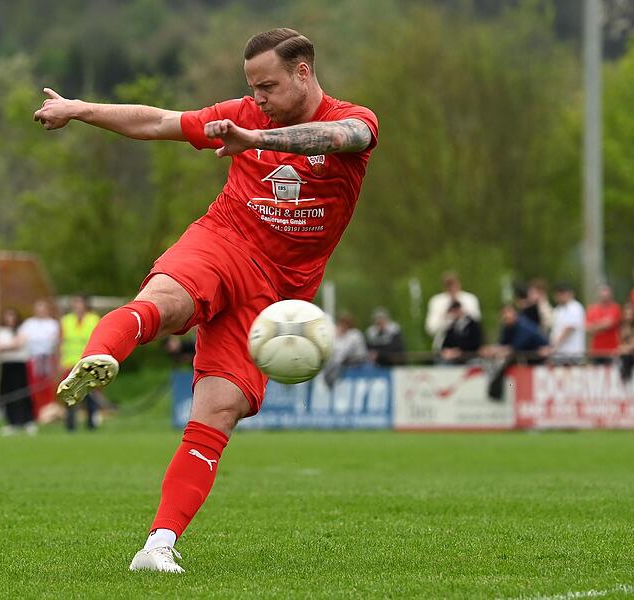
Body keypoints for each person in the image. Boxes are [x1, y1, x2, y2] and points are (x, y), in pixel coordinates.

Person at [34, 28, 378, 572]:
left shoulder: (351, 119)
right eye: (252, 87)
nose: (258, 98)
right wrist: (81, 109)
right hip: (224, 240)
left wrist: (256, 139)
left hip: (275, 300)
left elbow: (342, 138)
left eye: (267, 85)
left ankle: (158, 546)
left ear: (303, 73)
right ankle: (101, 353)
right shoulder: (241, 113)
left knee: (218, 412)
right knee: (167, 300)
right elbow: (159, 121)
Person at [60, 296, 102, 431]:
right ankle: (70, 424)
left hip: (88, 362)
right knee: (70, 394)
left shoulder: (93, 319)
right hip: (70, 362)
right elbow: (60, 341)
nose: (77, 306)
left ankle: (91, 423)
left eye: (80, 303)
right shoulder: (66, 320)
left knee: (91, 395)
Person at [0, 308, 37, 435]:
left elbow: (19, 344)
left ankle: (28, 421)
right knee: (8, 394)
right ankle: (12, 422)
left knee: (22, 393)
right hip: (6, 365)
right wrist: (11, 345)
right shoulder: (0, 331)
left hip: (19, 365)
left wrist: (8, 345)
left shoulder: (22, 329)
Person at [20, 299, 61, 421]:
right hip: (34, 359)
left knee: (47, 387)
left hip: (48, 358)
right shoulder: (29, 324)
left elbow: (55, 342)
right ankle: (36, 413)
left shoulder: (53, 324)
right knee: (34, 388)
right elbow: (24, 338)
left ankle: (49, 414)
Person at [425, 271, 481, 349]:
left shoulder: (470, 299)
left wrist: (463, 316)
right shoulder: (437, 302)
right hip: (445, 348)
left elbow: (477, 323)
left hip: (469, 348)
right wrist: (446, 317)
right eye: (448, 284)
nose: (452, 287)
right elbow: (431, 329)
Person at [323, 312, 368, 386]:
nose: (342, 326)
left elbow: (361, 353)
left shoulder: (355, 335)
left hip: (350, 363)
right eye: (341, 323)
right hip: (334, 364)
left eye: (345, 323)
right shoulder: (334, 334)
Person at [548, 283, 586, 363]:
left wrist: (554, 346)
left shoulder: (575, 307)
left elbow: (569, 328)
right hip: (558, 354)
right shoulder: (558, 309)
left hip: (572, 354)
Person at [585, 284, 622, 362]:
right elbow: (587, 328)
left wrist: (595, 325)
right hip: (596, 351)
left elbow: (609, 324)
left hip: (612, 351)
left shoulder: (615, 308)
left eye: (607, 291)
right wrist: (602, 323)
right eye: (603, 291)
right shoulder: (592, 309)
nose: (604, 294)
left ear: (611, 294)